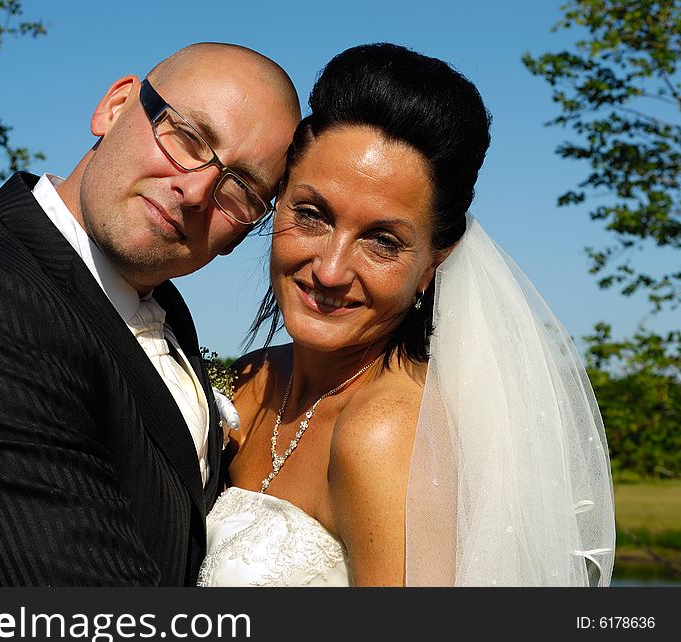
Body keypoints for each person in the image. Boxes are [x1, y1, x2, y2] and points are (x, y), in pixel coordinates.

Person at [0, 43, 300, 586]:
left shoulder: (160, 305)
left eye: (240, 188)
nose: (196, 191)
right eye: (188, 138)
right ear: (117, 106)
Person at [197, 43, 615, 587]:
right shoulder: (250, 381)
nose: (329, 269)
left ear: (432, 264)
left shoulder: (385, 431)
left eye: (383, 241)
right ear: (277, 201)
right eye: (313, 214)